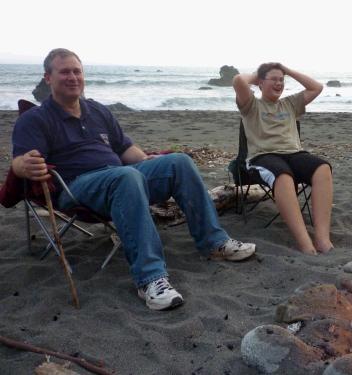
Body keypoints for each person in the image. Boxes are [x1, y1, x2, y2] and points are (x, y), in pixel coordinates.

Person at [11, 48, 256, 311]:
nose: (72, 77)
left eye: (77, 71)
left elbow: (125, 149)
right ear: (48, 77)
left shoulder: (97, 111)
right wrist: (24, 166)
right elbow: (19, 162)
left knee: (179, 162)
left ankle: (214, 243)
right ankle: (151, 279)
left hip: (124, 177)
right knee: (125, 176)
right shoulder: (36, 119)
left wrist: (148, 161)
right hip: (79, 187)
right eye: (64, 72)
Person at [232, 63, 333, 255]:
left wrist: (288, 70)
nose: (279, 83)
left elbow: (316, 88)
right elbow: (238, 81)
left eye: (282, 80)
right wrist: (259, 75)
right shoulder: (251, 105)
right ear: (260, 83)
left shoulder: (290, 104)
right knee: (283, 176)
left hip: (294, 153)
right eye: (274, 79)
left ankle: (322, 238)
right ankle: (306, 245)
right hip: (263, 156)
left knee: (322, 168)